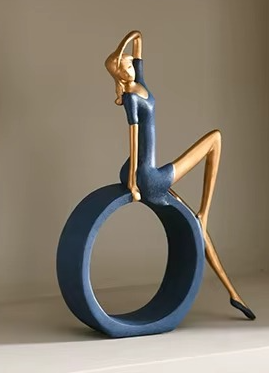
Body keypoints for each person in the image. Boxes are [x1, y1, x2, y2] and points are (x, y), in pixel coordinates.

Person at [105, 30, 255, 320]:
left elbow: (138, 40)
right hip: (147, 176)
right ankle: (205, 212)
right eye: (125, 66)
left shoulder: (140, 83)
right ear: (121, 76)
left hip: (143, 173)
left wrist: (121, 45)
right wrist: (135, 185)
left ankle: (233, 294)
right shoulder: (132, 99)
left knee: (197, 231)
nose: (131, 65)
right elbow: (133, 141)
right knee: (216, 139)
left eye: (130, 62)